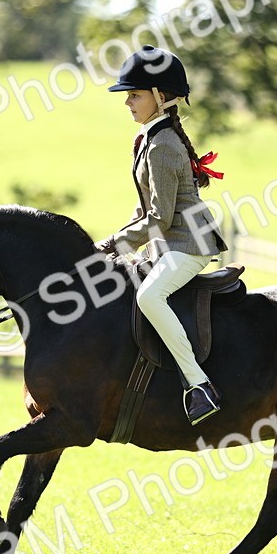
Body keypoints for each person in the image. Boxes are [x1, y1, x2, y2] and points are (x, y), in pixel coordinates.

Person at [95, 45, 228, 425]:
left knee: (149, 296)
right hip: (168, 241)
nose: (128, 103)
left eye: (135, 95)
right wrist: (111, 243)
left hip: (188, 244)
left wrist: (116, 245)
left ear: (160, 96)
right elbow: (145, 210)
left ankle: (198, 384)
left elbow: (161, 218)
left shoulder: (163, 145)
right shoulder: (150, 139)